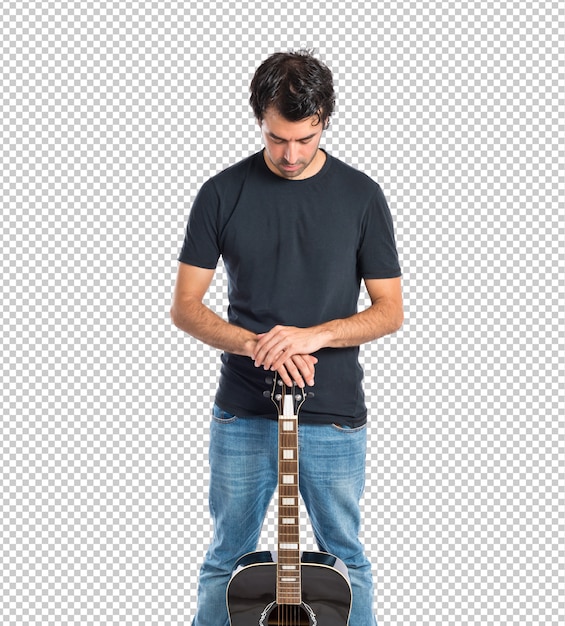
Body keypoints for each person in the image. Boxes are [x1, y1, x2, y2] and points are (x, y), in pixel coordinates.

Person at [170, 50, 403, 626]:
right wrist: (258, 345)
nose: (292, 154)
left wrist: (314, 336)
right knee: (227, 556)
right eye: (278, 139)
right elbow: (184, 307)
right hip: (243, 409)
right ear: (260, 121)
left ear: (325, 118)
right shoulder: (221, 193)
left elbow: (390, 311)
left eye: (305, 137)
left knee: (345, 555)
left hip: (333, 411)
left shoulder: (362, 195)